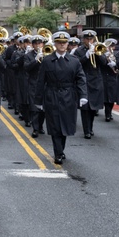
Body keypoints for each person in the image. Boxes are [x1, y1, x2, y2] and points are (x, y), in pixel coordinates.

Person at [32, 31, 86, 164]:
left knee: (66, 125)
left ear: (68, 44)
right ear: (55, 44)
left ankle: (61, 149)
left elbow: (81, 79)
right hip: (52, 95)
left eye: (64, 43)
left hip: (69, 95)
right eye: (59, 43)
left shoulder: (74, 61)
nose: (62, 45)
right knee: (55, 125)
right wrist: (38, 100)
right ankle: (58, 153)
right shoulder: (47, 60)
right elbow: (41, 81)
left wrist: (83, 95)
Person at [73, 30, 105, 139]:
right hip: (84, 82)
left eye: (91, 39)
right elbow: (76, 64)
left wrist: (98, 53)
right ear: (83, 40)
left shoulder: (98, 49)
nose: (89, 41)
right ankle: (86, 130)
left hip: (96, 82)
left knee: (93, 108)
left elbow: (104, 63)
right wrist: (86, 56)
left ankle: (90, 128)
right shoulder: (79, 51)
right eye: (87, 39)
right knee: (85, 108)